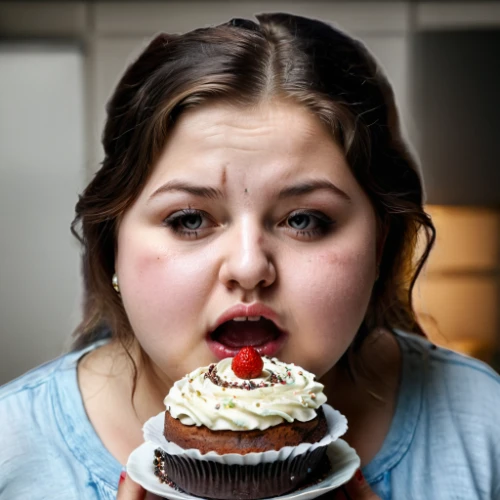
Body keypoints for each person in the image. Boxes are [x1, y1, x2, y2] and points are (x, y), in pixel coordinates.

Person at [0, 12, 499, 500]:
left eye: (305, 220)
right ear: (112, 248)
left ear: (380, 247)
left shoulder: (485, 424)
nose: (248, 268)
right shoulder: (12, 448)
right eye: (189, 219)